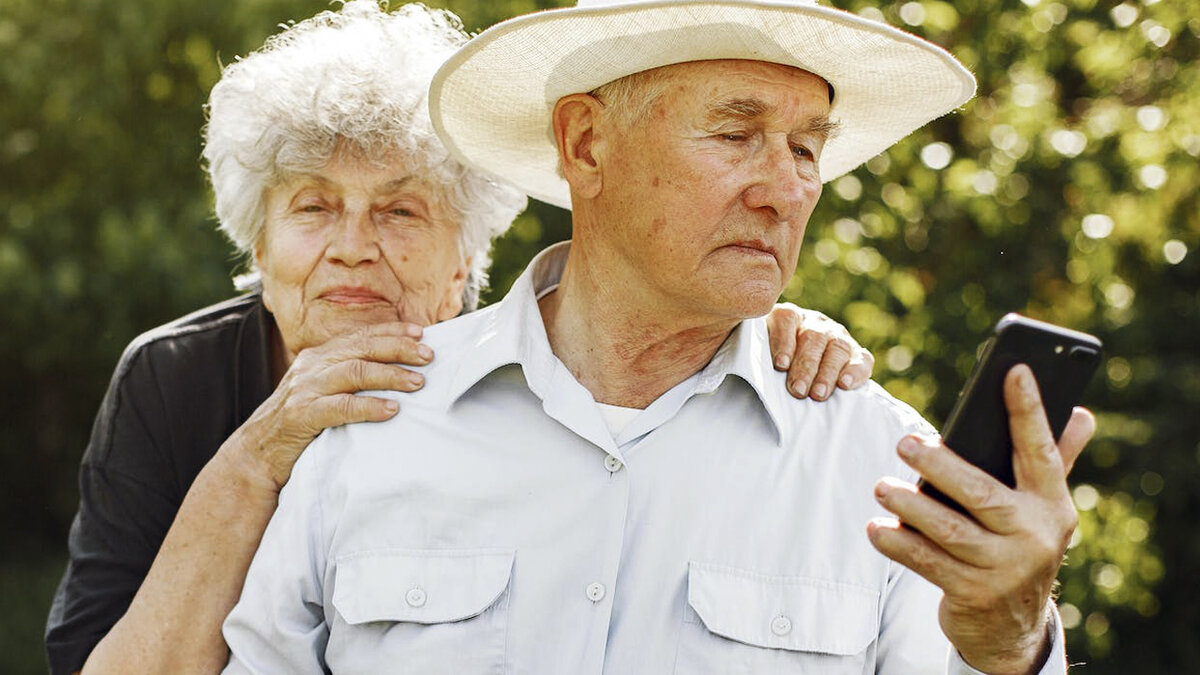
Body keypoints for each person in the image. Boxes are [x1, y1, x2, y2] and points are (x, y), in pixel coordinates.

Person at [220, 0, 1096, 673]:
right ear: (587, 143)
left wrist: (1011, 641)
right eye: (736, 133)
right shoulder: (373, 420)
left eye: (804, 146)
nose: (785, 189)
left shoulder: (880, 470)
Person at [44, 2, 875, 673]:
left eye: (402, 210)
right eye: (311, 206)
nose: (353, 245)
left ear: (467, 255)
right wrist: (258, 451)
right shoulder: (172, 377)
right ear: (255, 243)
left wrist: (745, 319)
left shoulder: (509, 382)